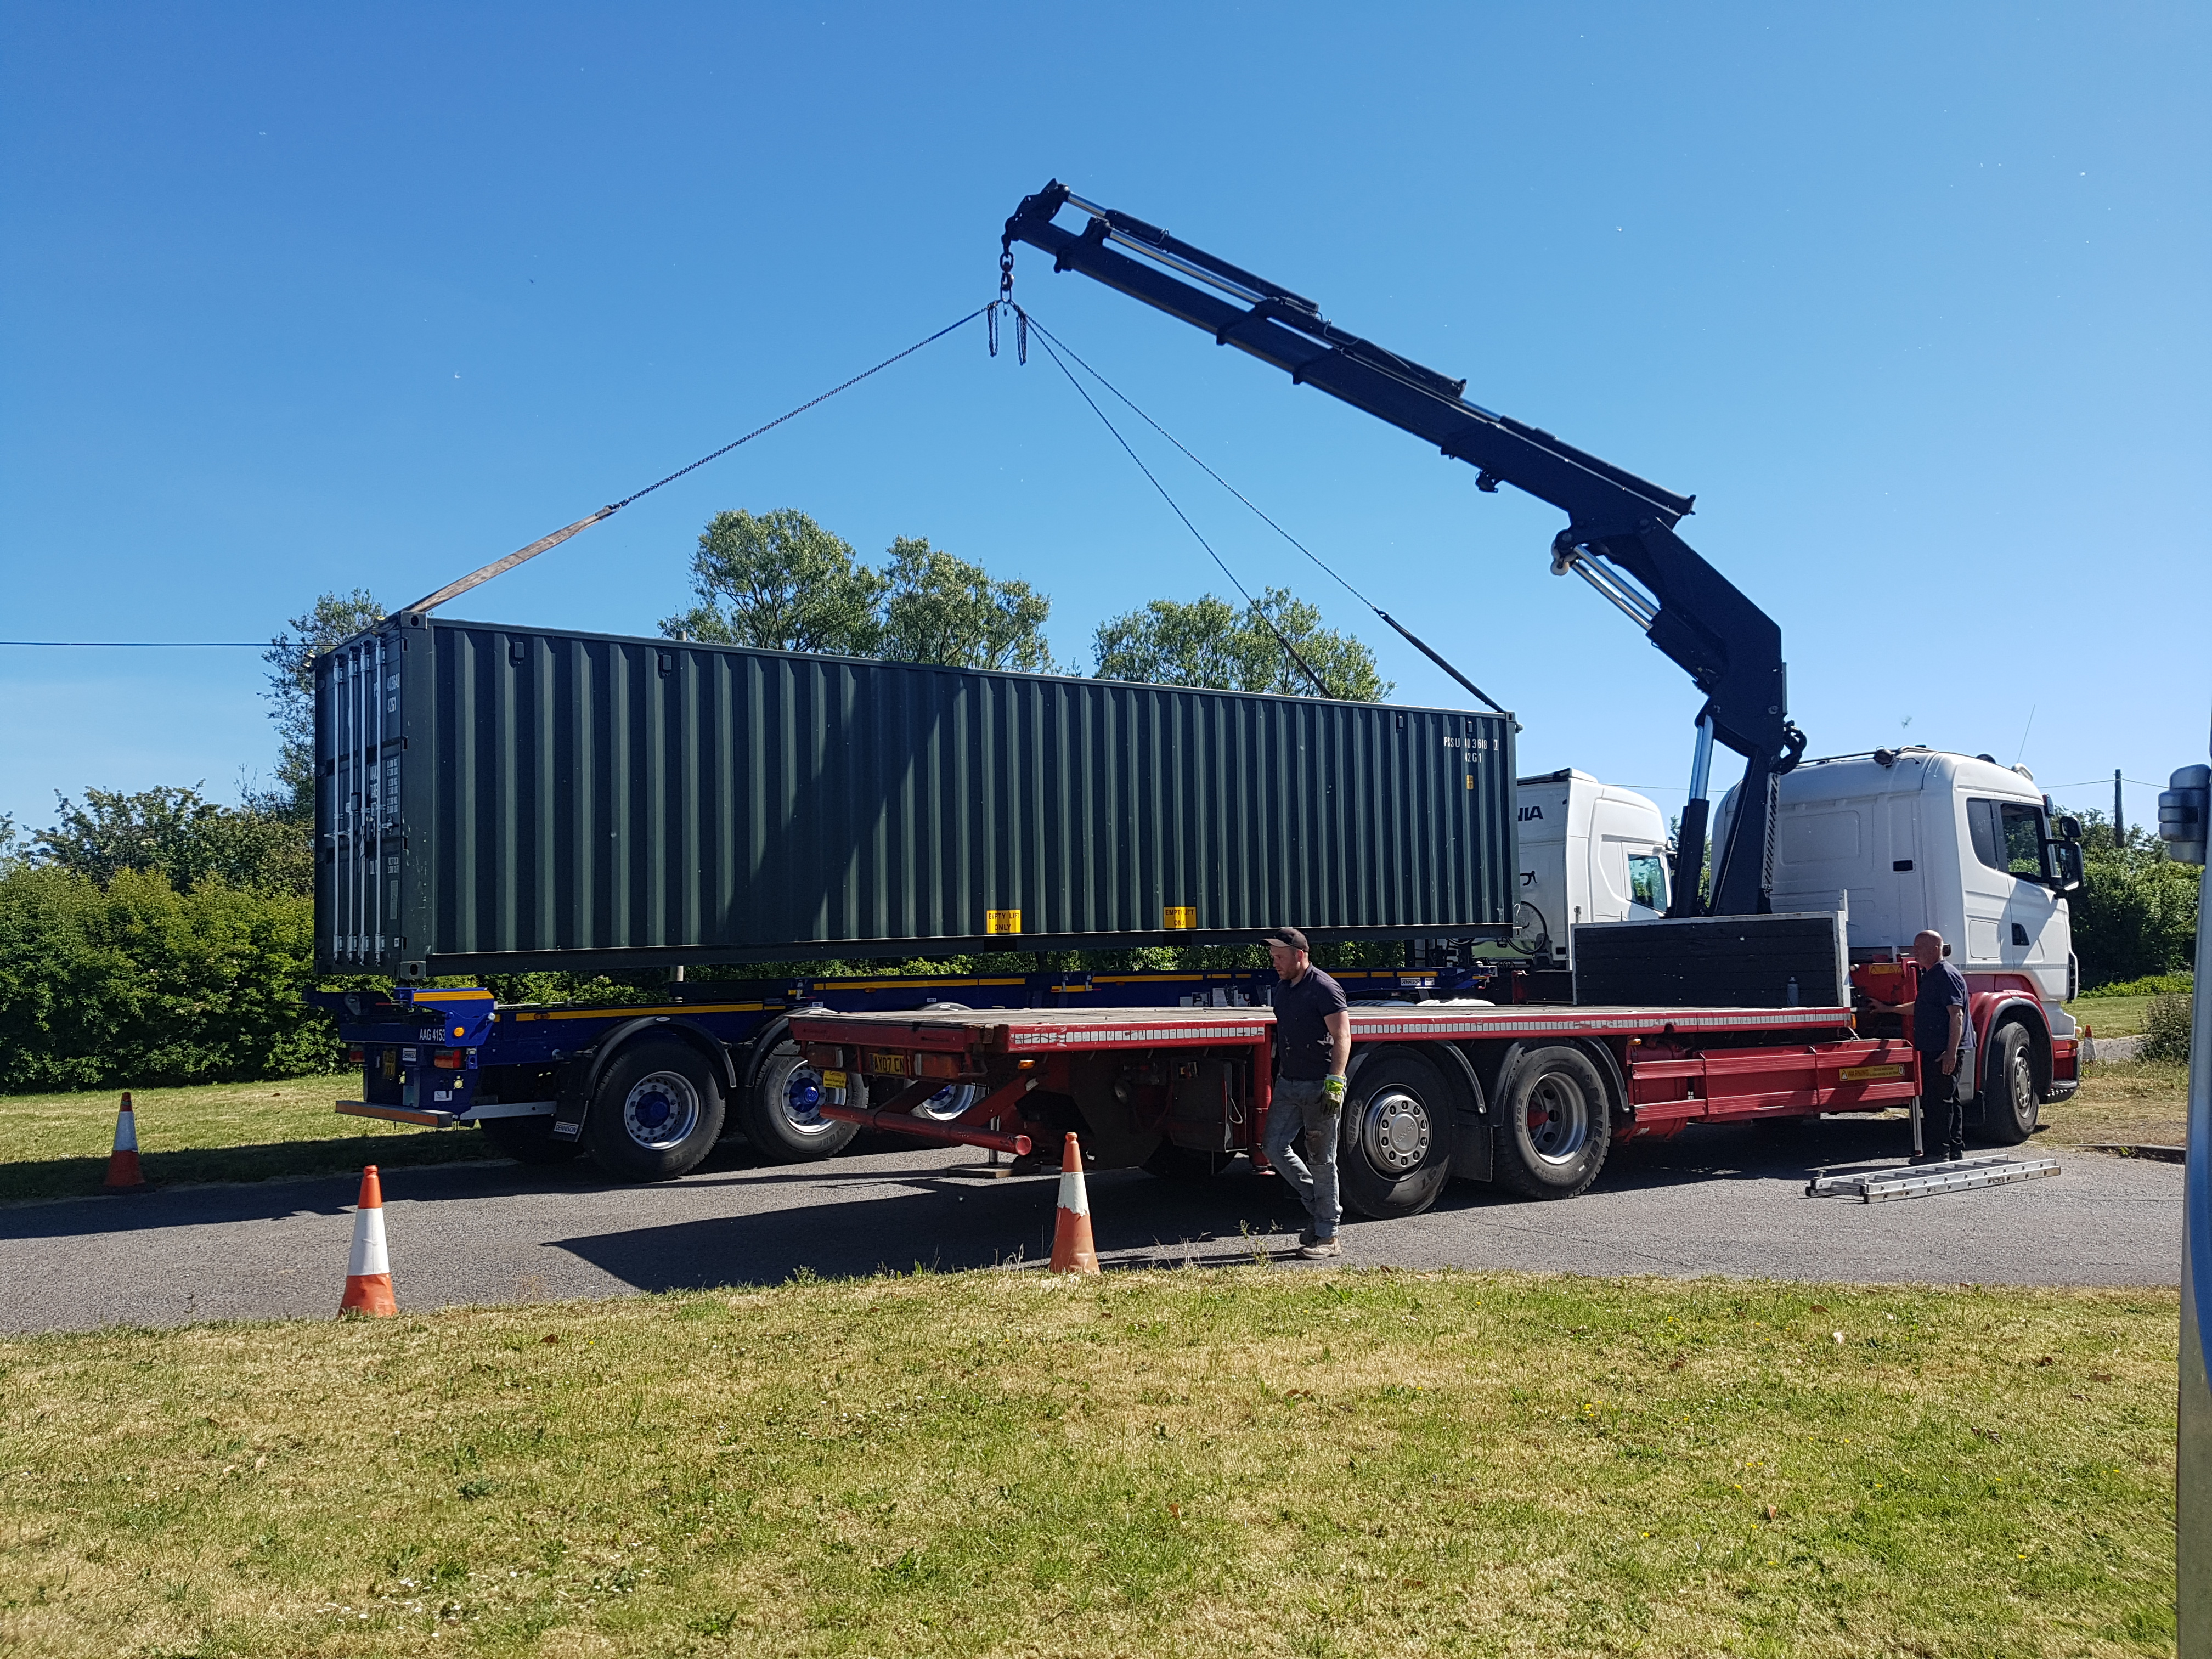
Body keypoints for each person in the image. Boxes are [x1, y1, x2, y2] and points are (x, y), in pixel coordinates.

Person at [1260, 926, 1352, 1259]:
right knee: (1272, 1146)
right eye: (1273, 958)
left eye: (1280, 957)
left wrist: (1335, 1082)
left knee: (1322, 1159)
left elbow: (1343, 1036)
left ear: (1300, 955)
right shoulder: (1283, 989)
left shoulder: (1325, 988)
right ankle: (1319, 1202)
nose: (1276, 964)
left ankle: (1328, 1236)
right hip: (1289, 1083)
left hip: (1318, 1085)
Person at [1889, 928, 1969, 1164]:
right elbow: (1922, 1006)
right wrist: (1889, 1009)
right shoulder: (1931, 974)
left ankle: (1938, 1152)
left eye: (1920, 948)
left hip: (1943, 1050)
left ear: (1936, 950)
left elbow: (1957, 1016)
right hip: (1936, 1048)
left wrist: (1950, 1052)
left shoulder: (1946, 975)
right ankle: (1954, 1149)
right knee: (1948, 1098)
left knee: (1938, 1101)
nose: (1915, 952)